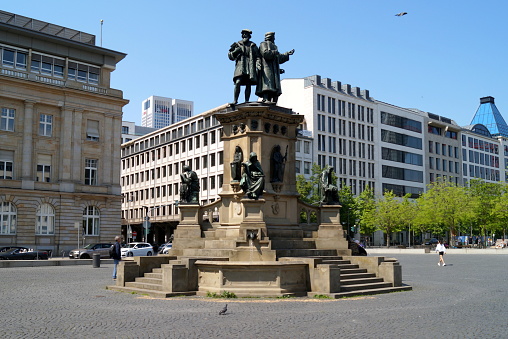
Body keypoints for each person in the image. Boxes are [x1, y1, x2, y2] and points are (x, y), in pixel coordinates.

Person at [256, 32, 294, 103]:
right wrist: (275, 52)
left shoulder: (274, 46)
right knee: (267, 84)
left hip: (274, 69)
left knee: (274, 86)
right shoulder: (263, 44)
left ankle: (271, 101)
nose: (274, 39)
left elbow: (278, 58)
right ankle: (266, 98)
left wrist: (287, 54)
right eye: (273, 37)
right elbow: (266, 54)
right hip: (266, 68)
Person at [228, 29, 259, 104]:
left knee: (248, 83)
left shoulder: (253, 45)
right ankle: (235, 100)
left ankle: (247, 100)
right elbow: (230, 56)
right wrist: (236, 51)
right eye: (243, 34)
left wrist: (258, 64)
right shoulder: (237, 44)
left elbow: (258, 56)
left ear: (249, 36)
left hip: (250, 65)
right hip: (240, 65)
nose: (244, 35)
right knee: (238, 82)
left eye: (246, 34)